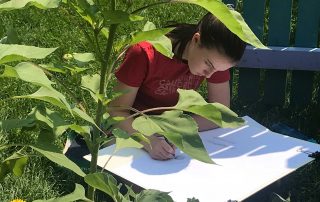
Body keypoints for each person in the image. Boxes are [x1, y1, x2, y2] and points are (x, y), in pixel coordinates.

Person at [109, 12, 246, 160]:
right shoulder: (145, 53)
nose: (209, 75)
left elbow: (220, 114)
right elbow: (116, 112)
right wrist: (148, 140)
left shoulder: (215, 60)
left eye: (219, 70)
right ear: (196, 39)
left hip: (167, 130)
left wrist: (172, 130)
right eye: (208, 64)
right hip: (130, 126)